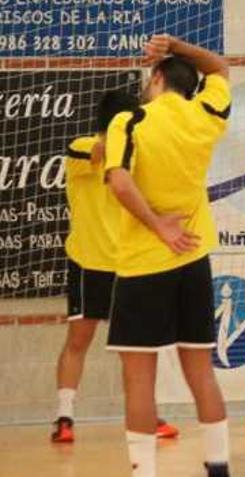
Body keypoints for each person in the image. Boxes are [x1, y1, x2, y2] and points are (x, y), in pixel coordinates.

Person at [104, 34, 234, 477]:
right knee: (201, 370)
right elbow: (218, 67)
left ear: (157, 78)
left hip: (144, 264)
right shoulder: (205, 116)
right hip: (194, 258)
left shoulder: (131, 119)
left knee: (139, 378)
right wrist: (179, 45)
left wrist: (158, 225)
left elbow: (119, 181)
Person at [53, 90, 179, 443]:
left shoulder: (135, 159)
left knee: (134, 348)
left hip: (127, 264)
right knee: (79, 339)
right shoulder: (83, 147)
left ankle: (146, 417)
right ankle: (64, 417)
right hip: (87, 261)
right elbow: (100, 152)